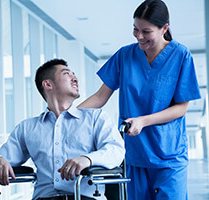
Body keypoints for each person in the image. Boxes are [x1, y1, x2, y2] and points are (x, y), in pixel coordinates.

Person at [78, 0, 201, 199]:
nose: (139, 36)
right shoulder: (125, 55)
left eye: (147, 31)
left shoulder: (181, 55)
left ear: (164, 29)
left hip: (169, 154)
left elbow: (181, 108)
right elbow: (100, 97)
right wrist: (68, 115)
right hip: (135, 153)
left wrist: (143, 121)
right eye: (135, 29)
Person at [0, 59, 125, 200]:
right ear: (48, 84)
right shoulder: (28, 128)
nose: (74, 78)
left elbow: (116, 151)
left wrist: (87, 159)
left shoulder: (95, 117)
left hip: (85, 196)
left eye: (74, 74)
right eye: (67, 74)